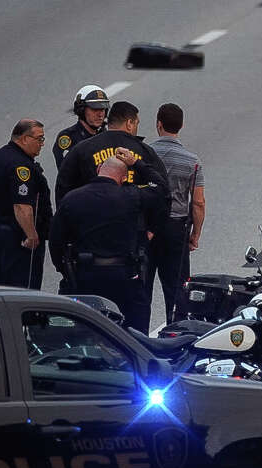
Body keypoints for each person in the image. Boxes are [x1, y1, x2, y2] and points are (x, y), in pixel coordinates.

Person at [49, 152, 168, 333]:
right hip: (123, 277)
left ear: (98, 170)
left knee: (80, 330)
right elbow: (160, 187)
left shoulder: (72, 198)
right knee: (135, 331)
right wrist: (136, 162)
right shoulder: (131, 196)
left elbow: (56, 240)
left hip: (84, 276)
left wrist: (65, 270)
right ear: (123, 177)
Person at [147, 103, 206, 322]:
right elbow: (198, 202)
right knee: (177, 290)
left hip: (147, 229)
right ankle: (175, 335)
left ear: (158, 124)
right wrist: (195, 235)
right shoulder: (191, 160)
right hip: (176, 230)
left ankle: (138, 338)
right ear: (181, 126)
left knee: (142, 289)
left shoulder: (145, 154)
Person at [0, 119, 53, 289]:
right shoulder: (21, 167)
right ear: (24, 138)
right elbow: (22, 206)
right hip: (17, 238)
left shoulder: (0, 156)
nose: (42, 144)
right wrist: (31, 235)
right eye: (39, 139)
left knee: (1, 287)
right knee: (24, 290)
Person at [54, 101, 168, 204]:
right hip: (132, 223)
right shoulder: (145, 151)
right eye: (136, 123)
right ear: (129, 123)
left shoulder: (82, 149)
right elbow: (163, 189)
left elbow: (63, 188)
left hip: (91, 220)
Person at [52, 85, 109, 170]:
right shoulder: (69, 138)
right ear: (81, 110)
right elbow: (67, 173)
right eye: (95, 109)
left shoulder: (106, 135)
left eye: (102, 109)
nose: (100, 115)